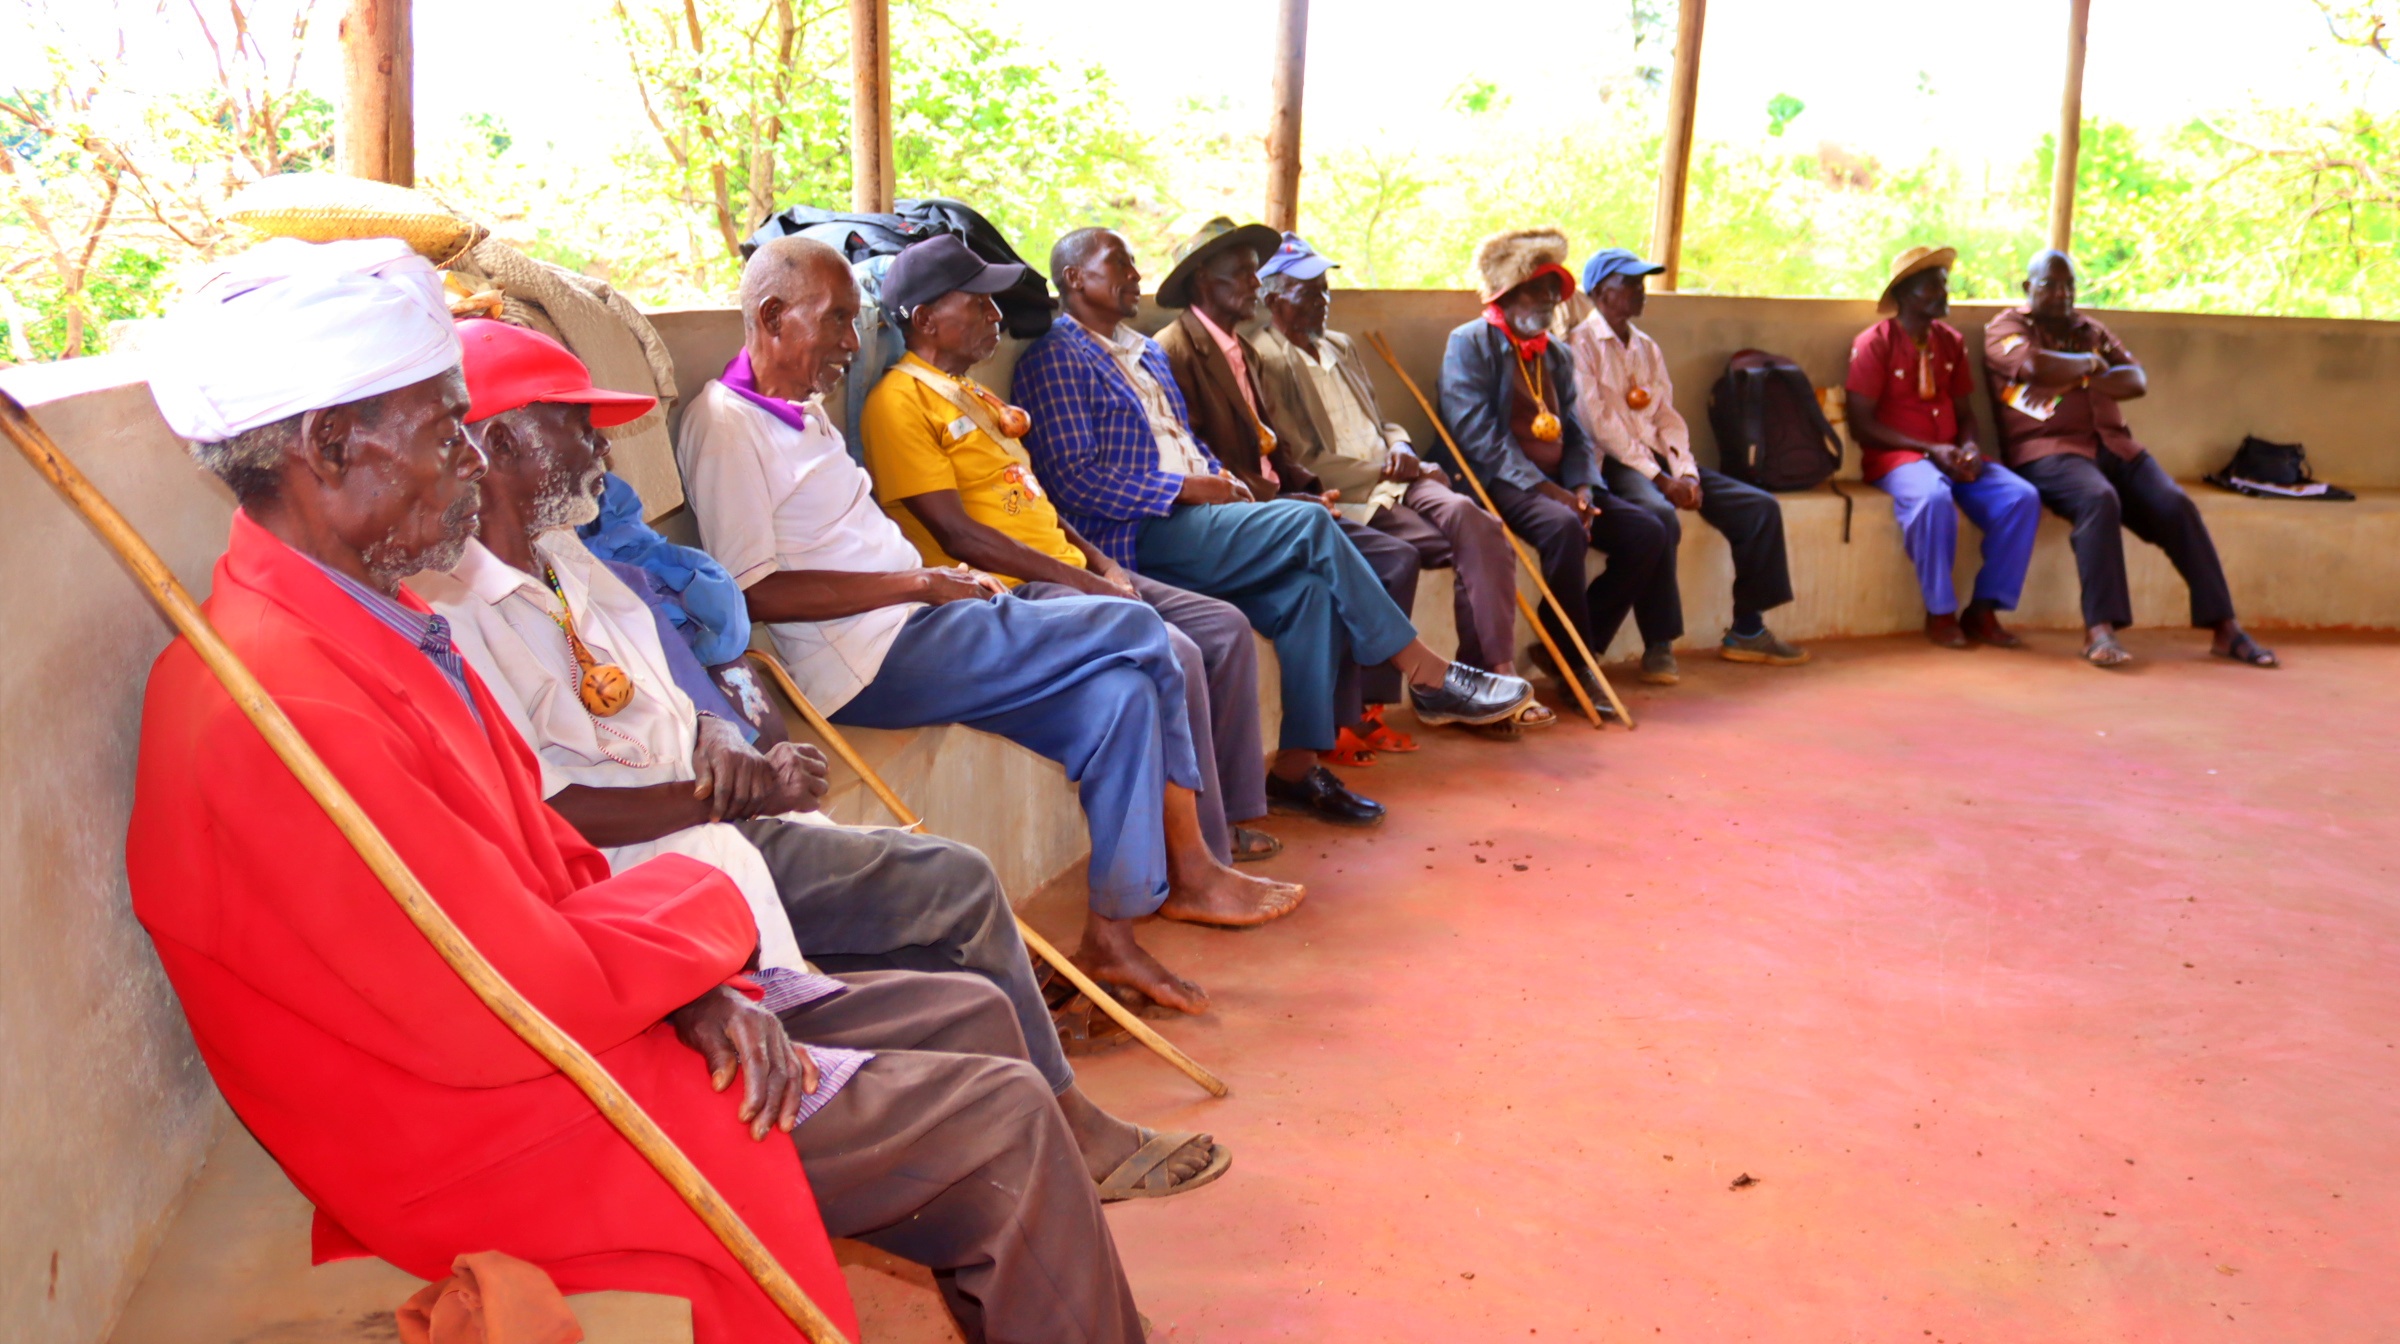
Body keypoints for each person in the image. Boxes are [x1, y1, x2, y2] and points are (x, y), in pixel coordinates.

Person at [130, 238, 1145, 1344]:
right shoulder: (281, 701)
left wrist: (691, 988)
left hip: (580, 1014)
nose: (467, 461)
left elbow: (544, 874)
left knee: (970, 1015)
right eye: (444, 432)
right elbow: (487, 996)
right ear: (330, 445)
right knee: (1001, 1118)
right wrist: (701, 943)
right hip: (493, 1120)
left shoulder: (366, 623)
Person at [417, 316, 1227, 1200]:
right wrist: (730, 796)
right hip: (657, 867)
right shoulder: (451, 614)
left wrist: (722, 737)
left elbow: (672, 688)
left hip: (714, 819)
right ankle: (1058, 1124)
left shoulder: (568, 559)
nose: (600, 451)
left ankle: (1003, 1130)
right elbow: (551, 813)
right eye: (576, 427)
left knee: (969, 913)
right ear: (500, 443)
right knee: (956, 881)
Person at [678, 235, 1299, 1020]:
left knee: (1121, 700)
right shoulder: (725, 423)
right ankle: (1194, 868)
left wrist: (936, 589)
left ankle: (1113, 935)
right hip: (875, 653)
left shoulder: (802, 410)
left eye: (851, 323)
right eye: (835, 321)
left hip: (923, 620)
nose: (850, 344)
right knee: (1141, 632)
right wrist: (920, 582)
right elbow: (752, 591)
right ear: (771, 317)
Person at [1012, 227, 1534, 828]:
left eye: (1133, 264)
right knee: (1309, 524)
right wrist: (1185, 488)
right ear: (1074, 278)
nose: (1134, 275)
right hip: (1137, 533)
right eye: (1119, 265)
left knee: (1307, 594)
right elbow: (1073, 480)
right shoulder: (1056, 357)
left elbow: (1184, 443)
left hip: (1197, 518)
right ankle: (1426, 671)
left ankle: (1295, 766)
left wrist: (1217, 478)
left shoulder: (1145, 354)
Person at [855, 235, 1281, 865]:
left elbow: (1037, 501)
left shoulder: (971, 393)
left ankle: (1233, 813)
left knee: (1223, 627)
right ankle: (1202, 857)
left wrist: (1102, 564)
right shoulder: (898, 402)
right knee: (1177, 651)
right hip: (1014, 589)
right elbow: (958, 536)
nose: (996, 315)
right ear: (925, 319)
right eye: (978, 303)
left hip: (1071, 568)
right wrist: (1086, 583)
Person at [1248, 233, 1556, 732]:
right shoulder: (1265, 358)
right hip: (1356, 490)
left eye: (1325, 288)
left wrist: (1403, 448)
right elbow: (1300, 458)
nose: (1323, 299)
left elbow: (1382, 422)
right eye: (1310, 290)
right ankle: (1458, 691)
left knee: (1476, 523)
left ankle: (1494, 673)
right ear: (1274, 298)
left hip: (1399, 474)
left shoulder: (1341, 345)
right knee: (1449, 547)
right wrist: (1384, 469)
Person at [1150, 218, 1436, 753]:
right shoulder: (1174, 351)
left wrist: (1307, 487)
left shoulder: (1246, 351)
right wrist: (1283, 500)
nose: (1254, 284)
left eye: (1254, 273)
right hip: (1230, 514)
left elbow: (1273, 445)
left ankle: (1325, 739)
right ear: (1202, 281)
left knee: (1391, 557)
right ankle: (1404, 677)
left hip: (1276, 501)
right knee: (1323, 567)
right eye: (1242, 274)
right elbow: (1200, 459)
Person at [1984, 250, 2277, 669]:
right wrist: (2091, 364)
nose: (2063, 294)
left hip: (2115, 446)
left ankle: (2225, 627)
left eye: (2070, 285)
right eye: (2051, 285)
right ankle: (2100, 629)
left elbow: (2136, 380)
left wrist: (2078, 375)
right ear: (2029, 288)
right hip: (2049, 450)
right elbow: (2033, 366)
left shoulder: (2091, 329)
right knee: (2098, 499)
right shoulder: (2007, 328)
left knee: (2176, 506)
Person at [1435, 228, 1670, 704]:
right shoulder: (1470, 343)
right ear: (1508, 295)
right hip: (1501, 480)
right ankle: (1579, 669)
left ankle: (1567, 647)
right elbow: (1478, 437)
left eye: (1552, 291)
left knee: (1647, 533)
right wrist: (1550, 492)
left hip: (1561, 482)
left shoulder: (1556, 352)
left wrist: (1582, 486)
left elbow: (1577, 432)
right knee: (1564, 527)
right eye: (1537, 290)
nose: (1549, 300)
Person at [1567, 247, 1807, 681]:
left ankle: (1748, 630)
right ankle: (1659, 644)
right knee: (1660, 517)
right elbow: (1599, 426)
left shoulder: (1646, 347)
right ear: (1601, 292)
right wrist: (1660, 479)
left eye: (1643, 283)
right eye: (1631, 283)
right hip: (1614, 464)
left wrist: (1686, 473)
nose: (1642, 291)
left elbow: (1667, 417)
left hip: (1660, 461)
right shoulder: (1579, 345)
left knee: (1759, 508)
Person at [1845, 246, 2040, 649]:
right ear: (1904, 295)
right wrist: (1930, 449)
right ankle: (1941, 612)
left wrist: (1968, 447)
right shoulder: (1875, 343)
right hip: (1898, 459)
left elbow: (1965, 412)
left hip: (1951, 456)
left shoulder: (1950, 342)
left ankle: (1983, 610)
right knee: (1932, 499)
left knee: (2021, 498)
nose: (1944, 295)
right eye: (1933, 288)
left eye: (1944, 286)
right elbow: (1862, 425)